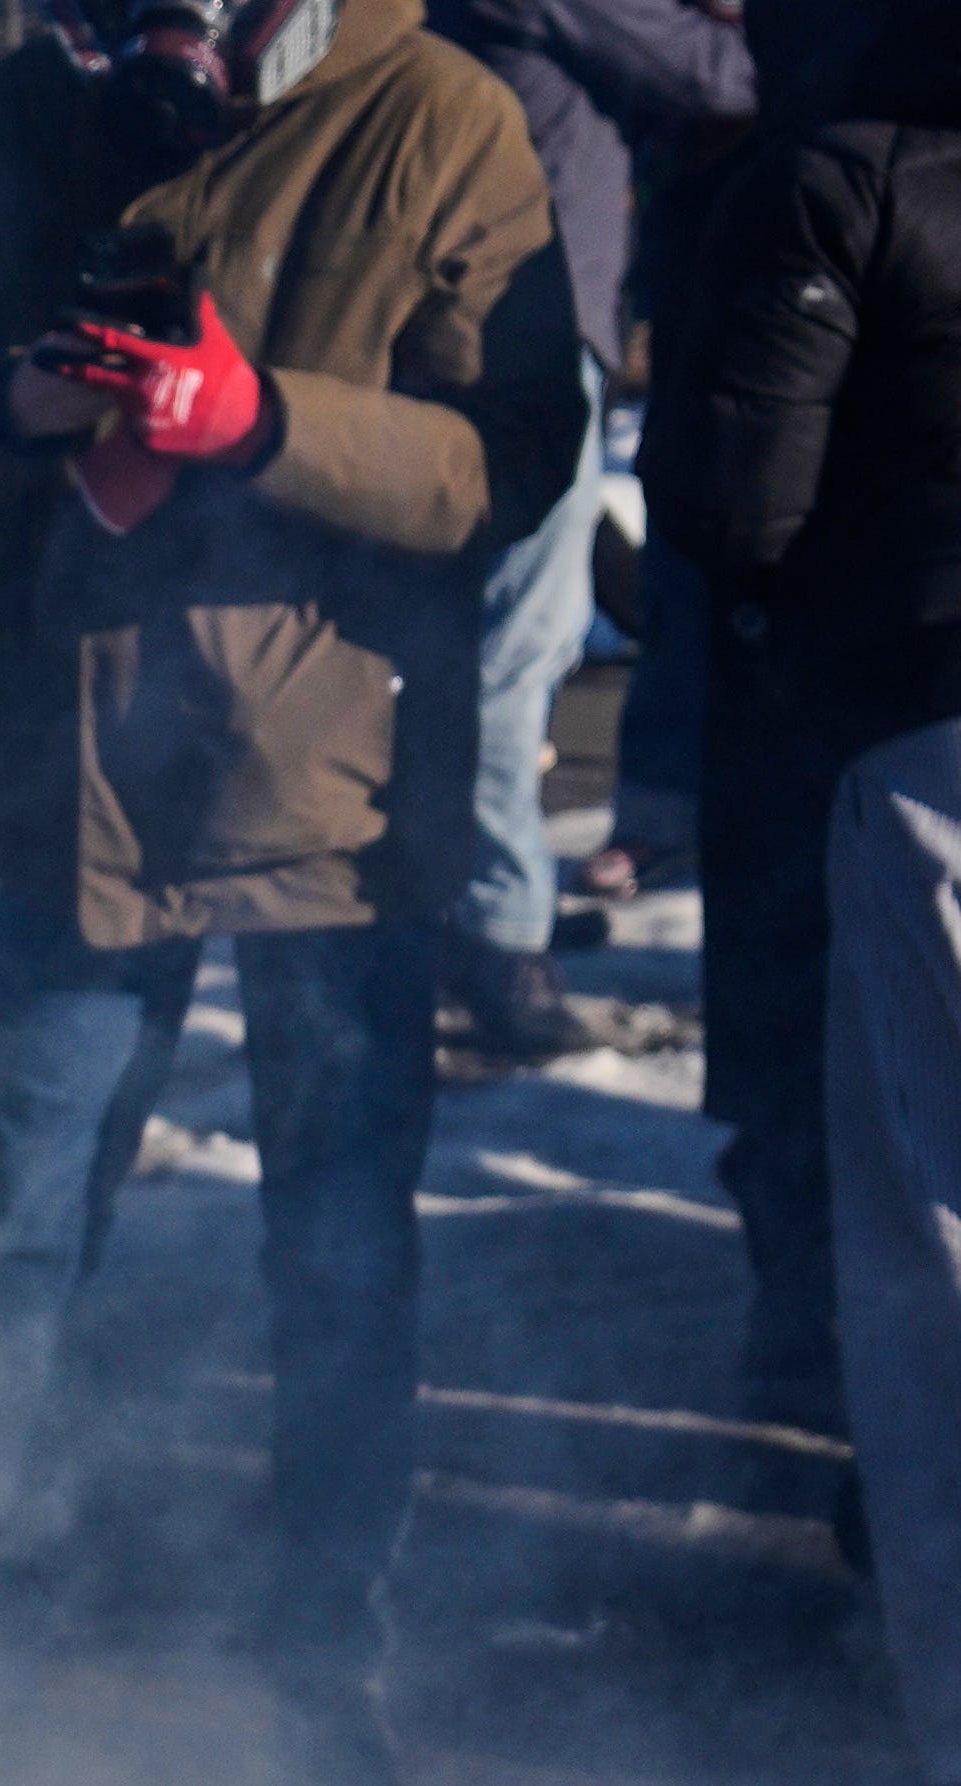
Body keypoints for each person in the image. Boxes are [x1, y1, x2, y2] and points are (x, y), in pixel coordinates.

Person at [0, 0, 569, 1786]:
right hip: (80, 773)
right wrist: (19, 396)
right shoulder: (36, 100)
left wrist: (261, 420)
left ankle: (319, 1664)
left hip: (332, 773)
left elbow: (509, 460)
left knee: (335, 1254)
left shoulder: (438, 115)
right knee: (14, 1226)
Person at [669, 8, 961, 1786]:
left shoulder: (831, 170)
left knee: (929, 1263)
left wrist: (810, 655)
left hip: (930, 736)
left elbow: (728, 509)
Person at [422, 0, 752, 1064]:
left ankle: (485, 892)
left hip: (522, 319)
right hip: (525, 327)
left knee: (508, 633)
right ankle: (495, 933)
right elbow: (716, 75)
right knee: (514, 640)